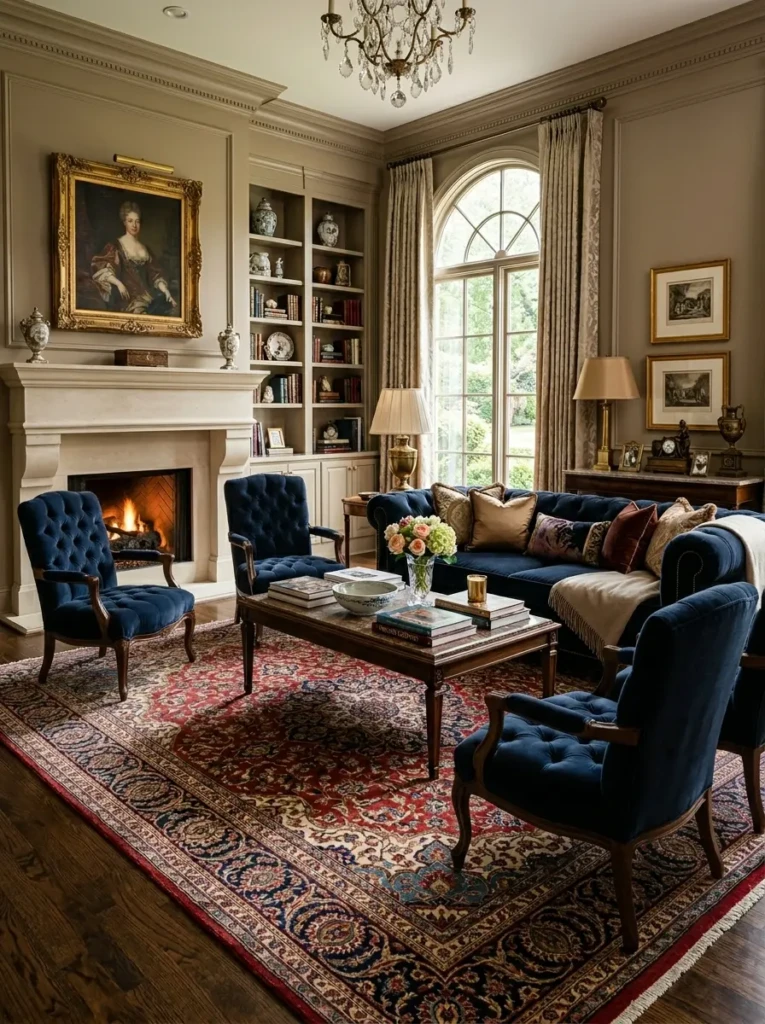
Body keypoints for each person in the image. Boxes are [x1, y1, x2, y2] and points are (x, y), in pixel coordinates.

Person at [91, 201, 177, 315]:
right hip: (128, 299)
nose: (134, 225)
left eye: (137, 221)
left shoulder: (146, 249)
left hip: (147, 297)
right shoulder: (116, 246)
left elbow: (155, 274)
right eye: (130, 221)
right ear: (124, 222)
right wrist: (119, 284)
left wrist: (166, 291)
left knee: (169, 309)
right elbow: (102, 267)